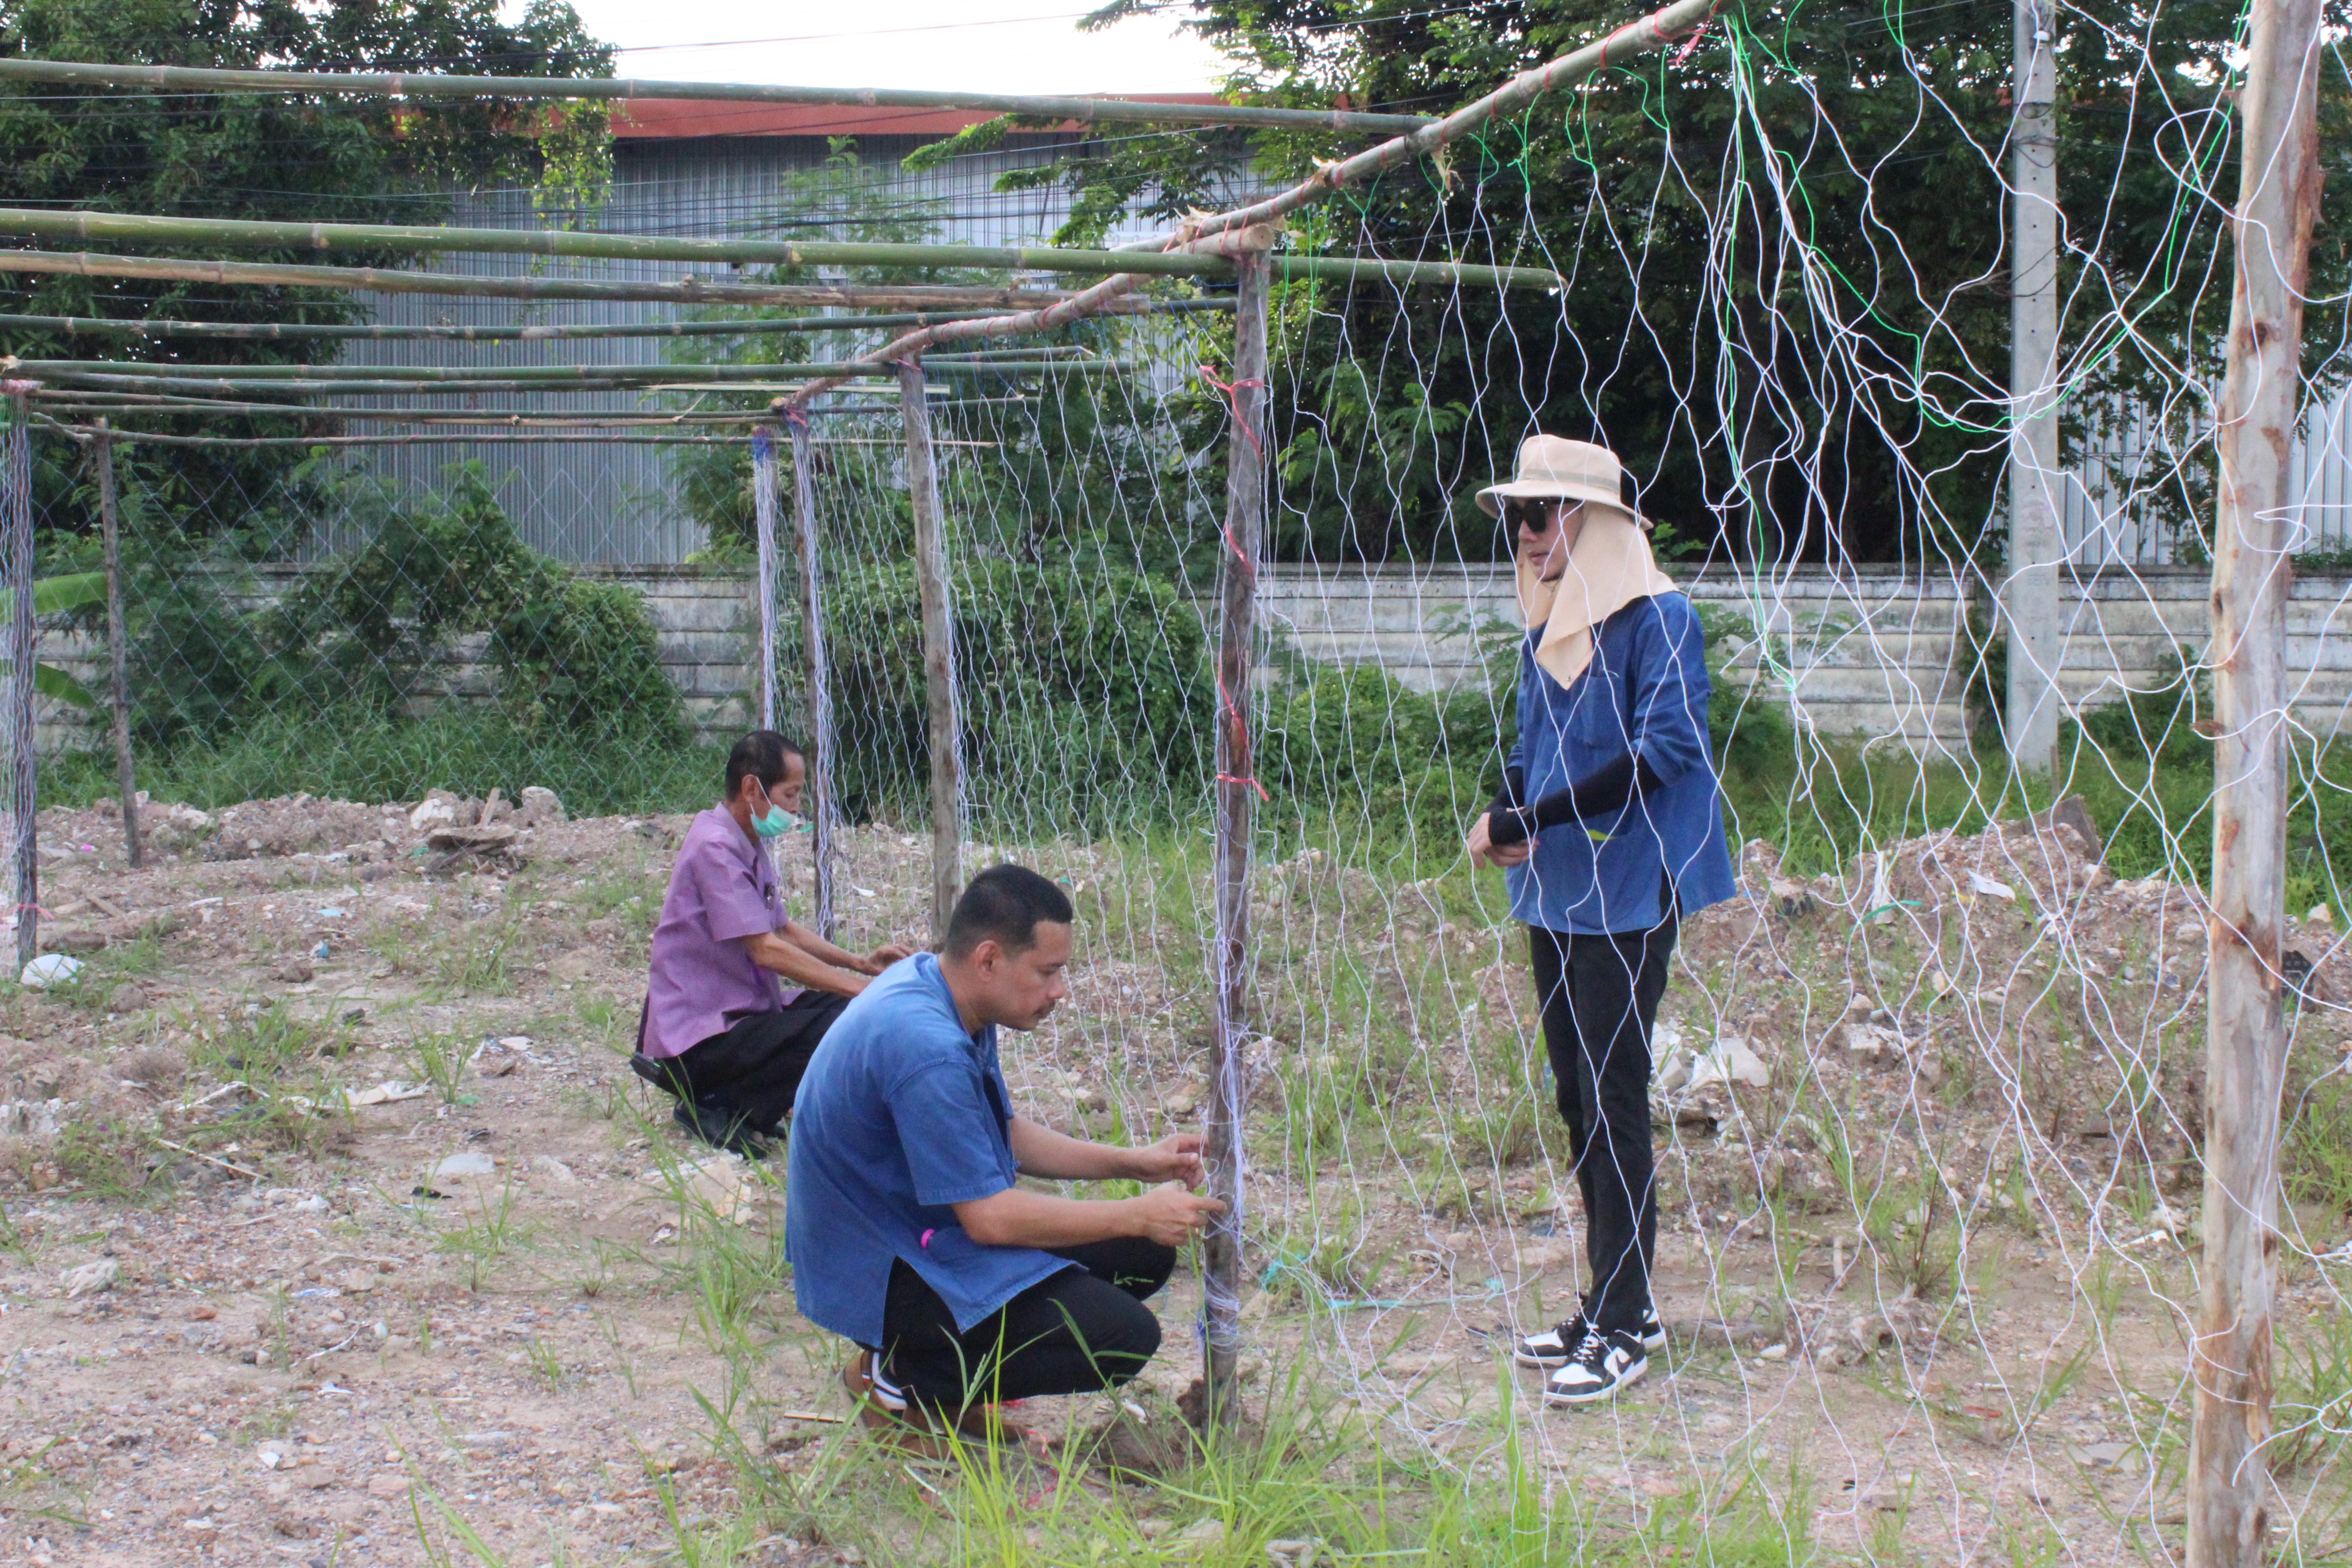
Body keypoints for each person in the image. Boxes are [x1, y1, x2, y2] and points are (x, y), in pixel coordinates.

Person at [1464, 435, 1735, 1405]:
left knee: (1615, 1098)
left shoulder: (1659, 621)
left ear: (1594, 521)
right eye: (1516, 518)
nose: (1525, 534)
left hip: (1626, 891)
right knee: (1576, 1091)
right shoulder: (1550, 626)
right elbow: (1530, 747)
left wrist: (1530, 817)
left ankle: (1623, 1327)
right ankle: (1619, 1295)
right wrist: (1504, 812)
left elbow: (1666, 752)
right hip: (1555, 893)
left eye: (1540, 514)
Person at [787, 864, 1223, 1450]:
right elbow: (989, 1218)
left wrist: (1136, 1163)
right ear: (989, 960)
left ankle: (940, 1383)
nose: (1059, 991)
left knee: (1143, 1254)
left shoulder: (948, 990)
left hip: (913, 1227)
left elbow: (1004, 1131)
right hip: (875, 1264)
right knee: (1120, 1337)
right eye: (1048, 972)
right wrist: (1136, 1212)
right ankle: (899, 1382)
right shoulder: (927, 1047)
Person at [630, 730, 910, 1158]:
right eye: (791, 793)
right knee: (843, 1019)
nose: (796, 808)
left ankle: (749, 1107)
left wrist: (860, 964)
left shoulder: (745, 841)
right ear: (751, 788)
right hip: (699, 1040)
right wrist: (861, 990)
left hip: (733, 1018)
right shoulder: (715, 848)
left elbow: (780, 929)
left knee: (840, 1010)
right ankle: (718, 1104)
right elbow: (766, 949)